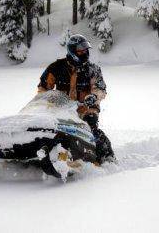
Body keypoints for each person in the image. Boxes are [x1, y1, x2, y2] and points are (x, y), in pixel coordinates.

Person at [38, 34, 115, 164]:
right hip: (60, 110)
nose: (84, 52)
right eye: (81, 50)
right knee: (45, 129)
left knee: (93, 132)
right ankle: (37, 152)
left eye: (86, 50)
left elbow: (100, 89)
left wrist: (94, 97)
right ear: (72, 51)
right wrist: (46, 101)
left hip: (85, 111)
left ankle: (105, 158)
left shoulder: (93, 69)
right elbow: (43, 88)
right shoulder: (56, 67)